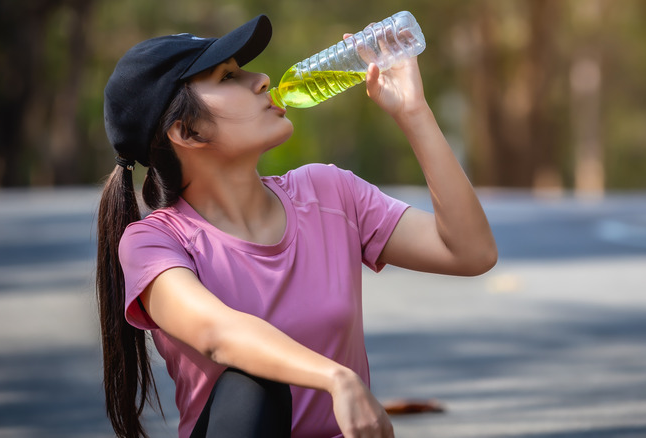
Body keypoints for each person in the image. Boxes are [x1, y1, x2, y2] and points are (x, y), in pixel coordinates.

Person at [96, 13, 497, 438]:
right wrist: (335, 377)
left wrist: (413, 113)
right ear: (187, 131)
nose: (263, 78)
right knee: (252, 383)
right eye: (229, 76)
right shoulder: (154, 242)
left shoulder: (327, 192)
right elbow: (219, 333)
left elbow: (470, 252)